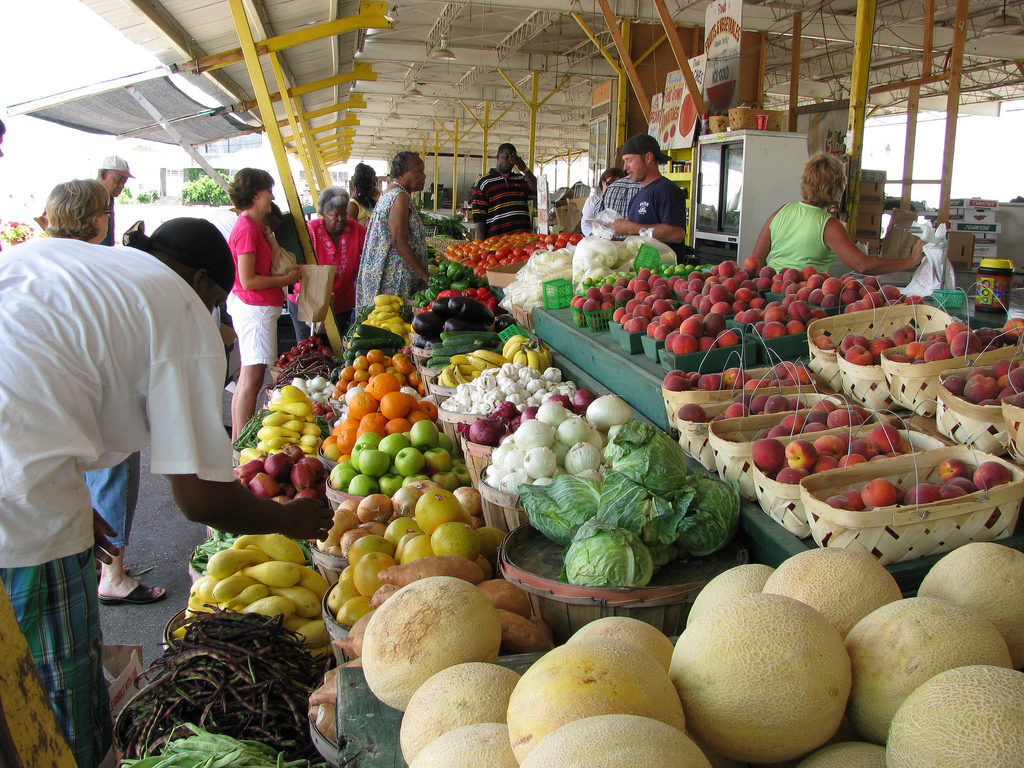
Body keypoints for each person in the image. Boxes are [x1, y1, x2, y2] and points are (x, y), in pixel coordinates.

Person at [0, 217, 332, 768]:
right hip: (21, 501)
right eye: (216, 303)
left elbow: (36, 375)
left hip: (23, 468)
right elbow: (200, 499)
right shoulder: (177, 307)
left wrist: (73, 499)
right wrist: (291, 520)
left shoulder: (68, 259)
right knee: (53, 699)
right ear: (202, 281)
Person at [42, 181, 165, 606]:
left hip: (44, 396)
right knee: (112, 470)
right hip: (92, 391)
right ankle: (113, 574)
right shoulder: (101, 264)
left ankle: (88, 561)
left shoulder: (37, 260)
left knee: (65, 479)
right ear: (97, 219)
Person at [749, 152, 925, 275]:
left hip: (773, 300)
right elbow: (862, 265)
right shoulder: (828, 225)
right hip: (806, 301)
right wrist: (910, 261)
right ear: (838, 189)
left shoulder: (780, 212)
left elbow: (756, 260)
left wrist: (771, 286)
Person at [226, 168, 302, 441]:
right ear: (256, 194)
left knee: (249, 378)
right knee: (251, 380)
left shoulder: (253, 226)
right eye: (268, 190)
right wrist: (286, 278)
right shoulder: (246, 228)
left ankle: (238, 441)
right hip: (255, 309)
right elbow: (247, 280)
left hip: (256, 309)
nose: (271, 196)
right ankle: (240, 444)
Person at [355, 151, 431, 309]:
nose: (423, 176)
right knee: (393, 319)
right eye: (418, 171)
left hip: (383, 273)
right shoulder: (400, 196)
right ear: (402, 174)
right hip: (395, 277)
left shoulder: (388, 193)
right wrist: (426, 276)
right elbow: (399, 241)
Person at [610, 134, 690, 262]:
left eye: (629, 160)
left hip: (664, 276)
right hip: (642, 274)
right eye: (624, 161)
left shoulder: (666, 190)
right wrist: (612, 241)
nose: (625, 167)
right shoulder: (636, 197)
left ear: (648, 158)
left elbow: (676, 234)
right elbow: (640, 240)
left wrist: (630, 227)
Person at [471, 143, 537, 240]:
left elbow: (537, 189)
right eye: (506, 157)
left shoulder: (521, 179)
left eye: (513, 158)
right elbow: (479, 216)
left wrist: (524, 168)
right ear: (497, 157)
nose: (510, 161)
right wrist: (481, 243)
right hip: (497, 242)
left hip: (522, 240)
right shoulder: (485, 183)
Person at [96, 156, 133, 246]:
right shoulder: (90, 197)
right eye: (117, 180)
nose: (121, 186)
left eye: (124, 182)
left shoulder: (109, 197)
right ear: (104, 174)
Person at [581, 168, 627, 236]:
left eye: (617, 185)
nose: (613, 188)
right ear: (603, 183)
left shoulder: (625, 201)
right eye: (609, 184)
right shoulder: (592, 201)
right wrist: (595, 236)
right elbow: (585, 224)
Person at [347, 162, 379, 229]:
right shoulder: (353, 205)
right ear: (364, 185)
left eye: (374, 183)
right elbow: (350, 231)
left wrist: (379, 200)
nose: (374, 186)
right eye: (372, 183)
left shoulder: (370, 200)